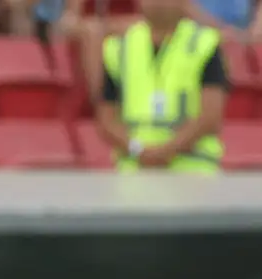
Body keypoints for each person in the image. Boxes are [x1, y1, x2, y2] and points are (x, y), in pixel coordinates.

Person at [94, 0, 228, 171]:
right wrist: (138, 150)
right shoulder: (120, 47)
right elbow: (106, 119)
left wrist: (166, 152)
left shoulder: (204, 44)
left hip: (193, 170)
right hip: (135, 172)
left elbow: (210, 117)